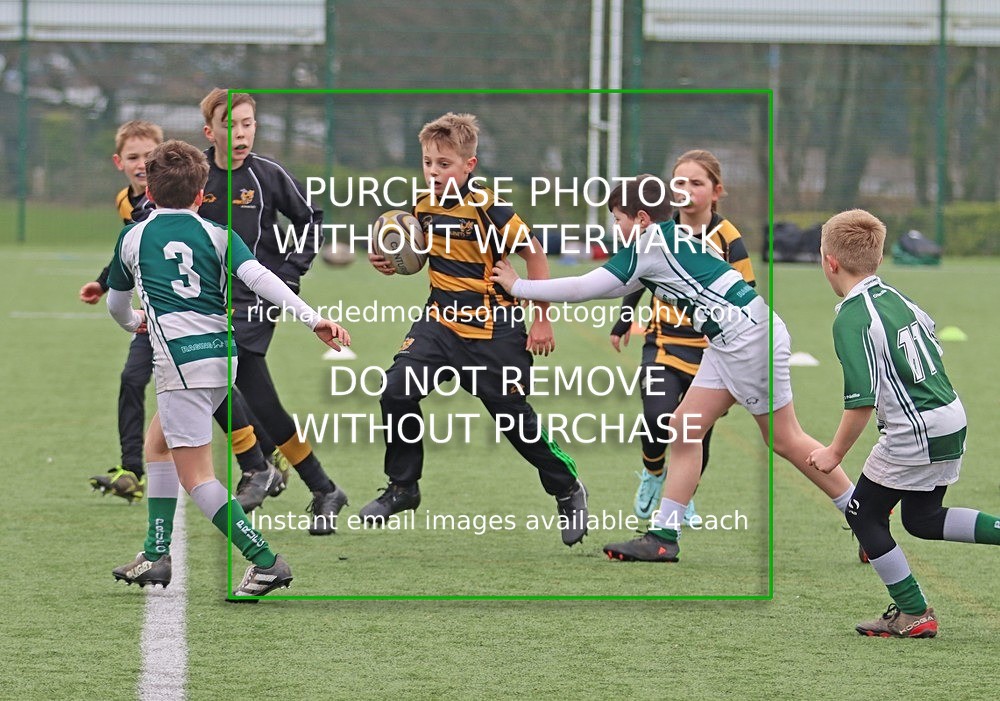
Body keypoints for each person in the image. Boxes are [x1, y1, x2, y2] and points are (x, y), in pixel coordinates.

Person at [490, 173, 857, 561]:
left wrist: (518, 287)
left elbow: (585, 288)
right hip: (736, 338)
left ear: (642, 218)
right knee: (684, 427)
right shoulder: (672, 237)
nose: (617, 227)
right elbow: (616, 285)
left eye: (619, 219)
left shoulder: (649, 243)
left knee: (785, 439)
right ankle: (664, 535)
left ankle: (861, 513)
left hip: (746, 342)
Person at [107, 140, 351, 598]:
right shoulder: (220, 234)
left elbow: (116, 305)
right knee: (157, 446)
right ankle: (156, 553)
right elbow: (262, 279)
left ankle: (265, 562)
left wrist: (136, 322)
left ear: (150, 195)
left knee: (197, 477)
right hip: (224, 360)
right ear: (202, 195)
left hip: (181, 368)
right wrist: (313, 318)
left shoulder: (133, 237)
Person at [361, 112, 588, 546]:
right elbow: (419, 254)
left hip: (494, 332)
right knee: (395, 390)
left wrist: (541, 318)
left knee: (516, 424)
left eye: (444, 164)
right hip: (439, 324)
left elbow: (535, 256)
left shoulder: (491, 207)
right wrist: (390, 264)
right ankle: (403, 487)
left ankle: (567, 489)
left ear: (470, 165)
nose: (434, 172)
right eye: (428, 162)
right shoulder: (421, 205)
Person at [808, 209, 999, 637]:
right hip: (950, 416)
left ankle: (914, 611)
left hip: (916, 431)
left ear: (830, 261)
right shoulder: (897, 298)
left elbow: (861, 401)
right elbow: (929, 342)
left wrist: (833, 452)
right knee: (923, 518)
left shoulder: (852, 317)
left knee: (863, 514)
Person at [81, 121, 285, 508]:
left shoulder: (185, 202)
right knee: (136, 380)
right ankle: (132, 471)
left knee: (216, 392)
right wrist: (103, 283)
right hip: (155, 318)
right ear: (119, 162)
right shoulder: (129, 203)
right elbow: (132, 256)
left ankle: (260, 460)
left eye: (147, 156)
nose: (141, 164)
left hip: (189, 318)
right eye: (133, 157)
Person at [196, 88, 346, 533]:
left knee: (211, 368)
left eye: (247, 123)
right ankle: (323, 487)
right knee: (259, 397)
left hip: (254, 300)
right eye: (230, 124)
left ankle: (257, 466)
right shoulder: (197, 176)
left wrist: (289, 274)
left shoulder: (267, 176)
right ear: (210, 131)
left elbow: (309, 219)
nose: (240, 132)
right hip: (207, 301)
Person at [610, 150, 754, 524]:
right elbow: (638, 273)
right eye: (679, 182)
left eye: (696, 182)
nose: (686, 189)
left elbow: (746, 290)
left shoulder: (728, 238)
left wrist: (734, 337)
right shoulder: (659, 230)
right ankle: (654, 472)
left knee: (694, 430)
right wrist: (624, 320)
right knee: (658, 419)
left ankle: (680, 495)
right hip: (662, 343)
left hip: (711, 353)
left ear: (716, 190)